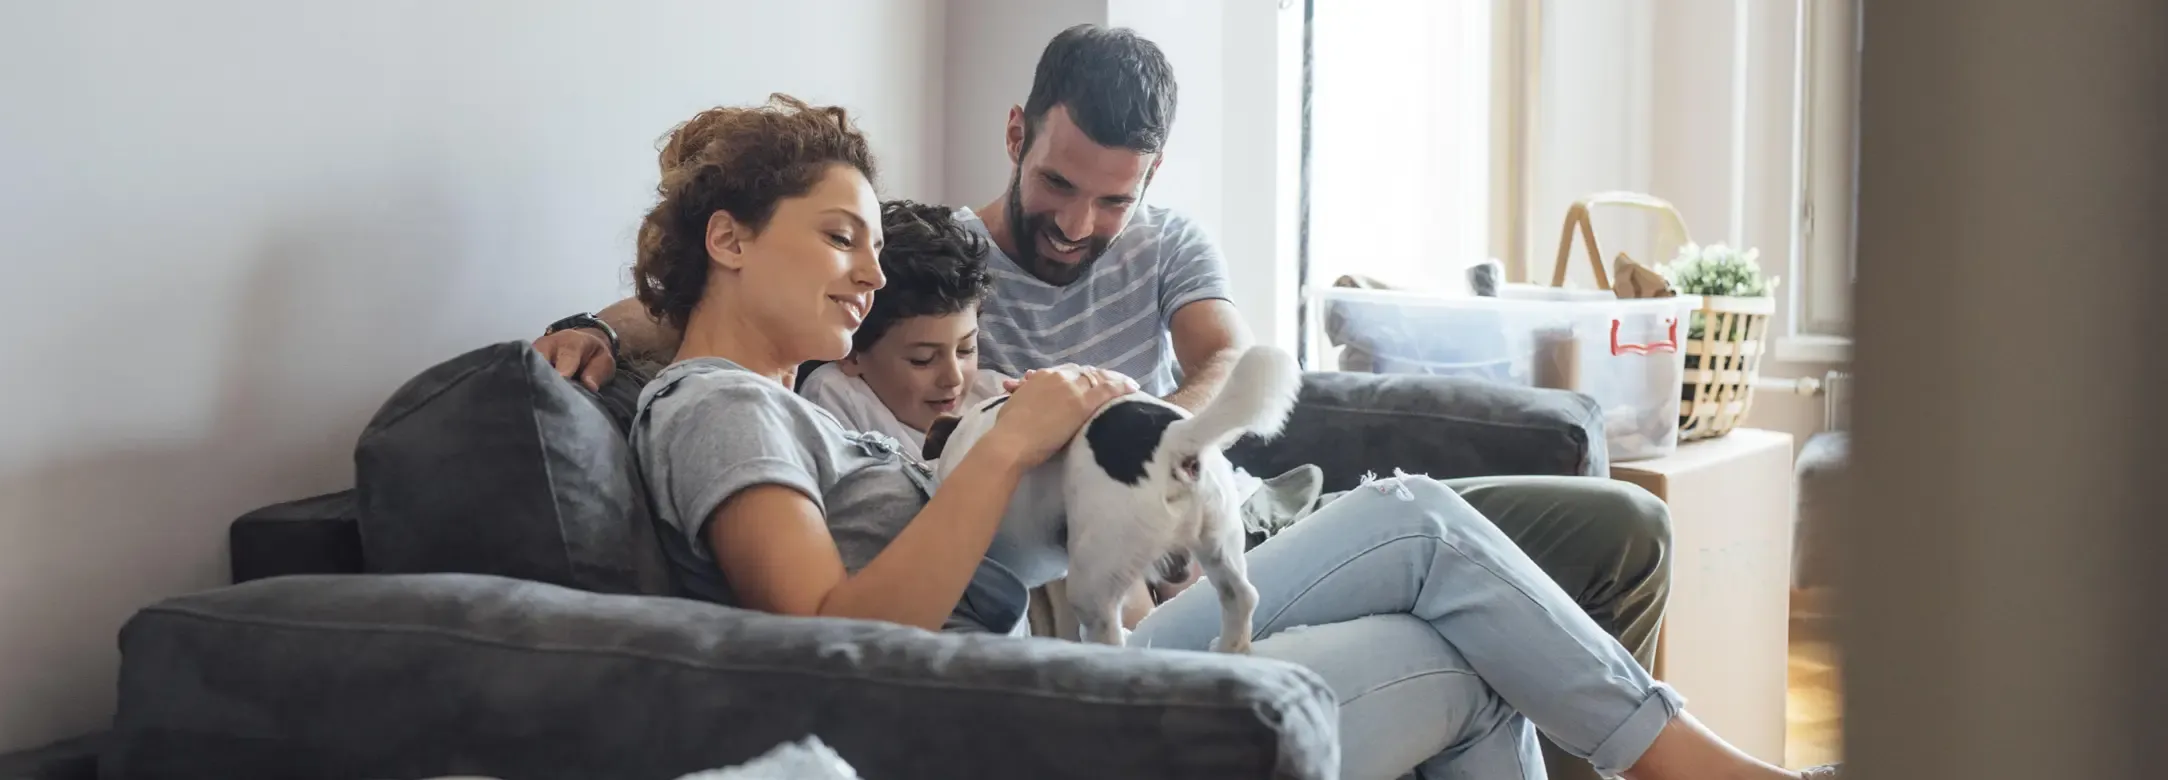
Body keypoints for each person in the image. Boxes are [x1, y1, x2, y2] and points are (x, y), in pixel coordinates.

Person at [593, 91, 1837, 780]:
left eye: (872, 242)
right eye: (839, 237)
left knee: (1420, 550)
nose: (870, 274)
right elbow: (825, 645)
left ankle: (1692, 767)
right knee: (1454, 653)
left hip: (1062, 662)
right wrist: (1015, 445)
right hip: (1014, 721)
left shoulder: (795, 394)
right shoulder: (721, 407)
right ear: (729, 239)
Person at [795, 199, 1011, 455]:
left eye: (966, 350)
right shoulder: (836, 395)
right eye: (923, 359)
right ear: (852, 353)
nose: (953, 377)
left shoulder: (994, 395)